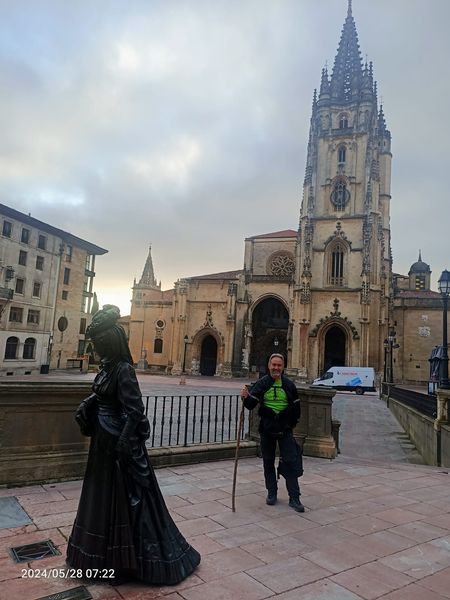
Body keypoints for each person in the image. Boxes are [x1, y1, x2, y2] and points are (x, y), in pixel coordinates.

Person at [67, 305, 200, 585]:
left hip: (116, 443)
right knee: (101, 497)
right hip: (104, 442)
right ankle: (99, 556)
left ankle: (123, 562)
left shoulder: (124, 369)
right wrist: (89, 402)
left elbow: (134, 409)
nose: (95, 349)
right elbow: (105, 394)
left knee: (123, 500)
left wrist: (125, 442)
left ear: (108, 343)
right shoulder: (110, 368)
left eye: (98, 344)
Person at [240, 353, 304, 512]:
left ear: (283, 367)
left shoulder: (289, 385)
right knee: (268, 461)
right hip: (267, 429)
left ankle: (294, 498)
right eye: (273, 365)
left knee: (290, 461)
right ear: (269, 366)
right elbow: (250, 404)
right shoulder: (262, 383)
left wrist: (289, 424)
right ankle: (272, 493)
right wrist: (245, 398)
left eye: (279, 365)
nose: (276, 368)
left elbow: (296, 408)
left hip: (285, 429)